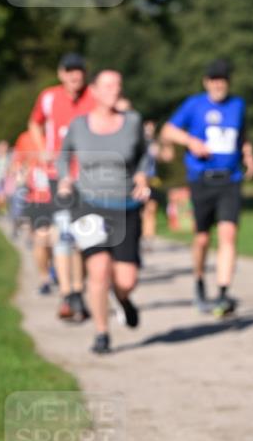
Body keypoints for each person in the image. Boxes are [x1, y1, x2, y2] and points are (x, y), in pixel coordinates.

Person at [57, 70, 151, 354]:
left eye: (118, 85)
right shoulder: (79, 125)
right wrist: (64, 178)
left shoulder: (132, 122)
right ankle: (101, 333)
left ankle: (122, 299)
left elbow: (146, 155)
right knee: (98, 270)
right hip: (89, 205)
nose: (115, 90)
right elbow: (64, 155)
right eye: (108, 85)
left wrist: (143, 176)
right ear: (94, 91)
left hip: (125, 206)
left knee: (126, 279)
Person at [161, 59, 253, 317]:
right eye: (214, 80)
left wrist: (248, 155)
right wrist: (190, 141)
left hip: (230, 179)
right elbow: (168, 130)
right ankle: (199, 280)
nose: (218, 85)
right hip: (202, 178)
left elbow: (242, 134)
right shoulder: (194, 104)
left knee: (228, 234)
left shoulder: (238, 105)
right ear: (206, 82)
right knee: (202, 238)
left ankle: (223, 293)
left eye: (222, 80)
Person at [28, 53, 94, 322]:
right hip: (59, 175)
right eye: (69, 71)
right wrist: (42, 149)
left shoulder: (94, 96)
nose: (74, 76)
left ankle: (78, 290)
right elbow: (34, 123)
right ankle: (68, 293)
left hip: (90, 177)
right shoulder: (49, 97)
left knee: (84, 238)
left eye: (78, 71)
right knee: (63, 233)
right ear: (61, 74)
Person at [11, 129, 54, 293]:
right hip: (37, 198)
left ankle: (56, 270)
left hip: (63, 197)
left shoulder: (64, 128)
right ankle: (45, 278)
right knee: (41, 239)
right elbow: (17, 164)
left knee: (58, 241)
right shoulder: (26, 137)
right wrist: (22, 175)